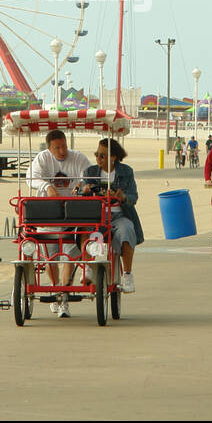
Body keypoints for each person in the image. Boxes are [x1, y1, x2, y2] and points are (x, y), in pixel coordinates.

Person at [26, 129, 92, 318]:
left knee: (70, 256)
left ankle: (64, 296)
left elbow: (88, 175)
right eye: (57, 148)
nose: (62, 151)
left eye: (64, 146)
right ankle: (56, 291)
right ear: (49, 148)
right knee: (51, 257)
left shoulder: (78, 158)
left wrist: (82, 185)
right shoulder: (42, 159)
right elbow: (31, 177)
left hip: (73, 214)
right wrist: (47, 187)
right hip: (49, 215)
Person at [81, 138, 142, 293]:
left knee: (127, 229)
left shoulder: (126, 172)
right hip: (96, 216)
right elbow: (81, 193)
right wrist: (84, 191)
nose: (98, 159)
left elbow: (133, 197)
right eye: (97, 155)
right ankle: (88, 266)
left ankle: (127, 275)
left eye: (103, 156)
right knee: (82, 228)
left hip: (119, 215)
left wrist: (123, 197)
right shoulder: (90, 172)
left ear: (113, 157)